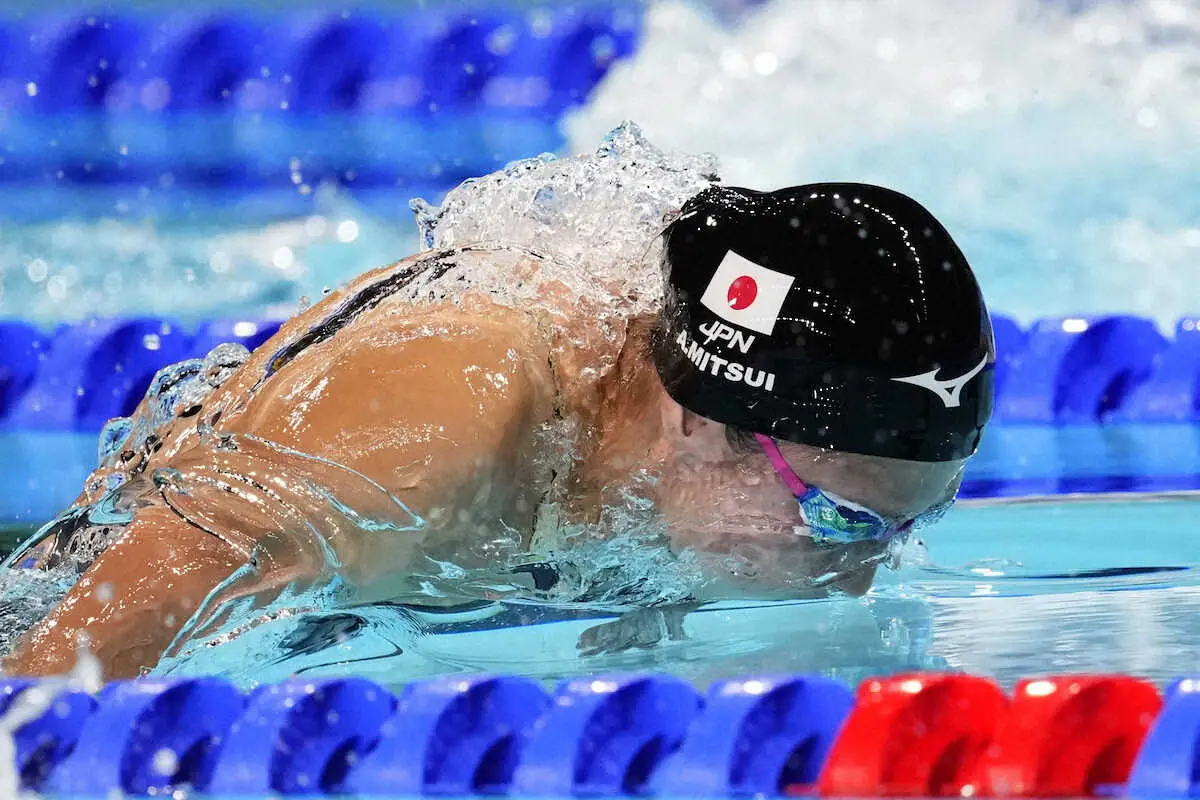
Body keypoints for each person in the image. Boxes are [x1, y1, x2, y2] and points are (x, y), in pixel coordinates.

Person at [3, 182, 994, 679]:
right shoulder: (431, 434)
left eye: (913, 524)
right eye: (841, 519)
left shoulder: (671, 439)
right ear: (701, 418)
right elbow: (50, 675)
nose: (868, 574)